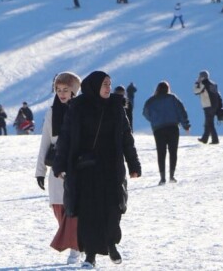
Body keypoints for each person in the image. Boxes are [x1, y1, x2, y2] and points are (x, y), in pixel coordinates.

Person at [52, 71, 141, 268]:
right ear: (94, 86)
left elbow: (127, 138)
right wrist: (59, 165)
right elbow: (65, 138)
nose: (109, 88)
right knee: (88, 213)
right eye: (105, 84)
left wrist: (134, 164)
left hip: (111, 169)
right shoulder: (78, 107)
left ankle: (111, 243)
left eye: (110, 84)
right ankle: (90, 255)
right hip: (85, 170)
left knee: (113, 209)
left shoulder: (117, 108)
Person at [35, 72, 82, 265]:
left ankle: (76, 248)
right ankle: (75, 242)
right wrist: (39, 171)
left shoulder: (81, 110)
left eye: (66, 90)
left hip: (76, 165)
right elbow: (45, 141)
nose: (62, 94)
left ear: (74, 91)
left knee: (75, 209)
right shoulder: (52, 111)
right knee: (58, 208)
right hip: (56, 166)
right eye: (58, 89)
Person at [142, 81, 190, 185]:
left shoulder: (151, 101)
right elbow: (181, 111)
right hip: (173, 127)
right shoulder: (173, 98)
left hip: (158, 129)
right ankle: (172, 176)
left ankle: (162, 178)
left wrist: (154, 120)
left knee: (161, 152)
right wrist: (185, 125)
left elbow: (145, 113)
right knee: (173, 152)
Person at [193, 70, 221, 144]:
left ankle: (215, 140)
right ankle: (204, 138)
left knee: (210, 123)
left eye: (199, 76)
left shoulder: (203, 84)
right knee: (208, 122)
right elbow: (217, 95)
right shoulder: (213, 84)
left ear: (202, 77)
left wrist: (197, 83)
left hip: (208, 105)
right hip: (214, 105)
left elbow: (196, 91)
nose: (198, 77)